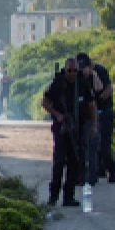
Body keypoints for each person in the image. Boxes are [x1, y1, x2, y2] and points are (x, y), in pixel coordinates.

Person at [41, 58, 98, 206]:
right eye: (69, 71)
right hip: (62, 128)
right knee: (59, 162)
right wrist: (57, 114)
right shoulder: (58, 83)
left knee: (75, 163)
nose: (72, 74)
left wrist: (94, 126)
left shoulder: (83, 84)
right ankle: (53, 196)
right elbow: (45, 102)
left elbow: (92, 106)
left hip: (78, 129)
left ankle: (69, 197)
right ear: (65, 70)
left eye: (75, 71)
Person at [77, 52, 115, 184]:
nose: (82, 72)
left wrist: (93, 75)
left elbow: (102, 90)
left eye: (84, 69)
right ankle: (94, 173)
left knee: (104, 146)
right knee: (89, 146)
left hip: (103, 111)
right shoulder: (78, 77)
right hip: (89, 114)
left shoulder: (99, 71)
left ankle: (111, 169)